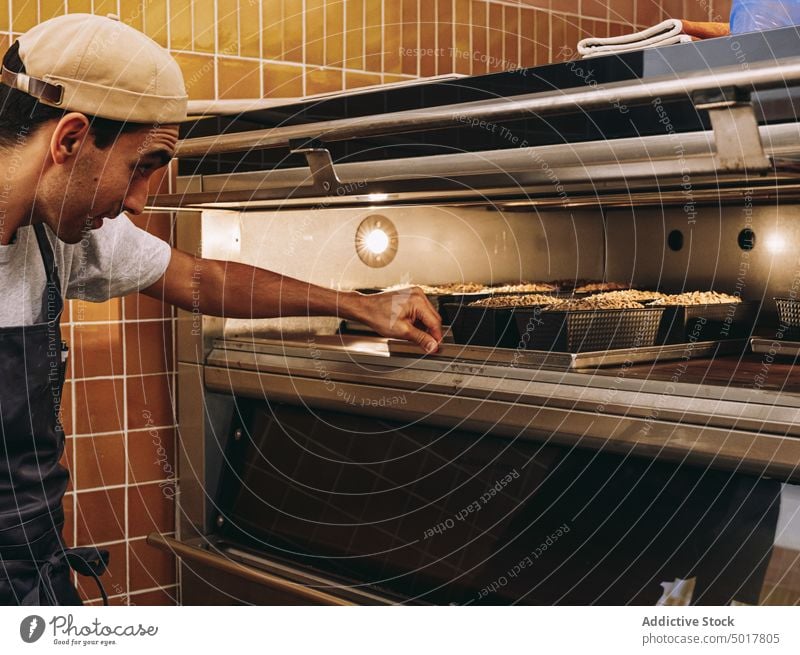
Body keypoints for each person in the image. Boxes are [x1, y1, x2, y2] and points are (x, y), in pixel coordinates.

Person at [0, 13, 442, 606]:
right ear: (71, 140)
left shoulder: (56, 240)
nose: (137, 202)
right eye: (140, 169)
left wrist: (359, 306)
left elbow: (202, 278)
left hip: (32, 568)